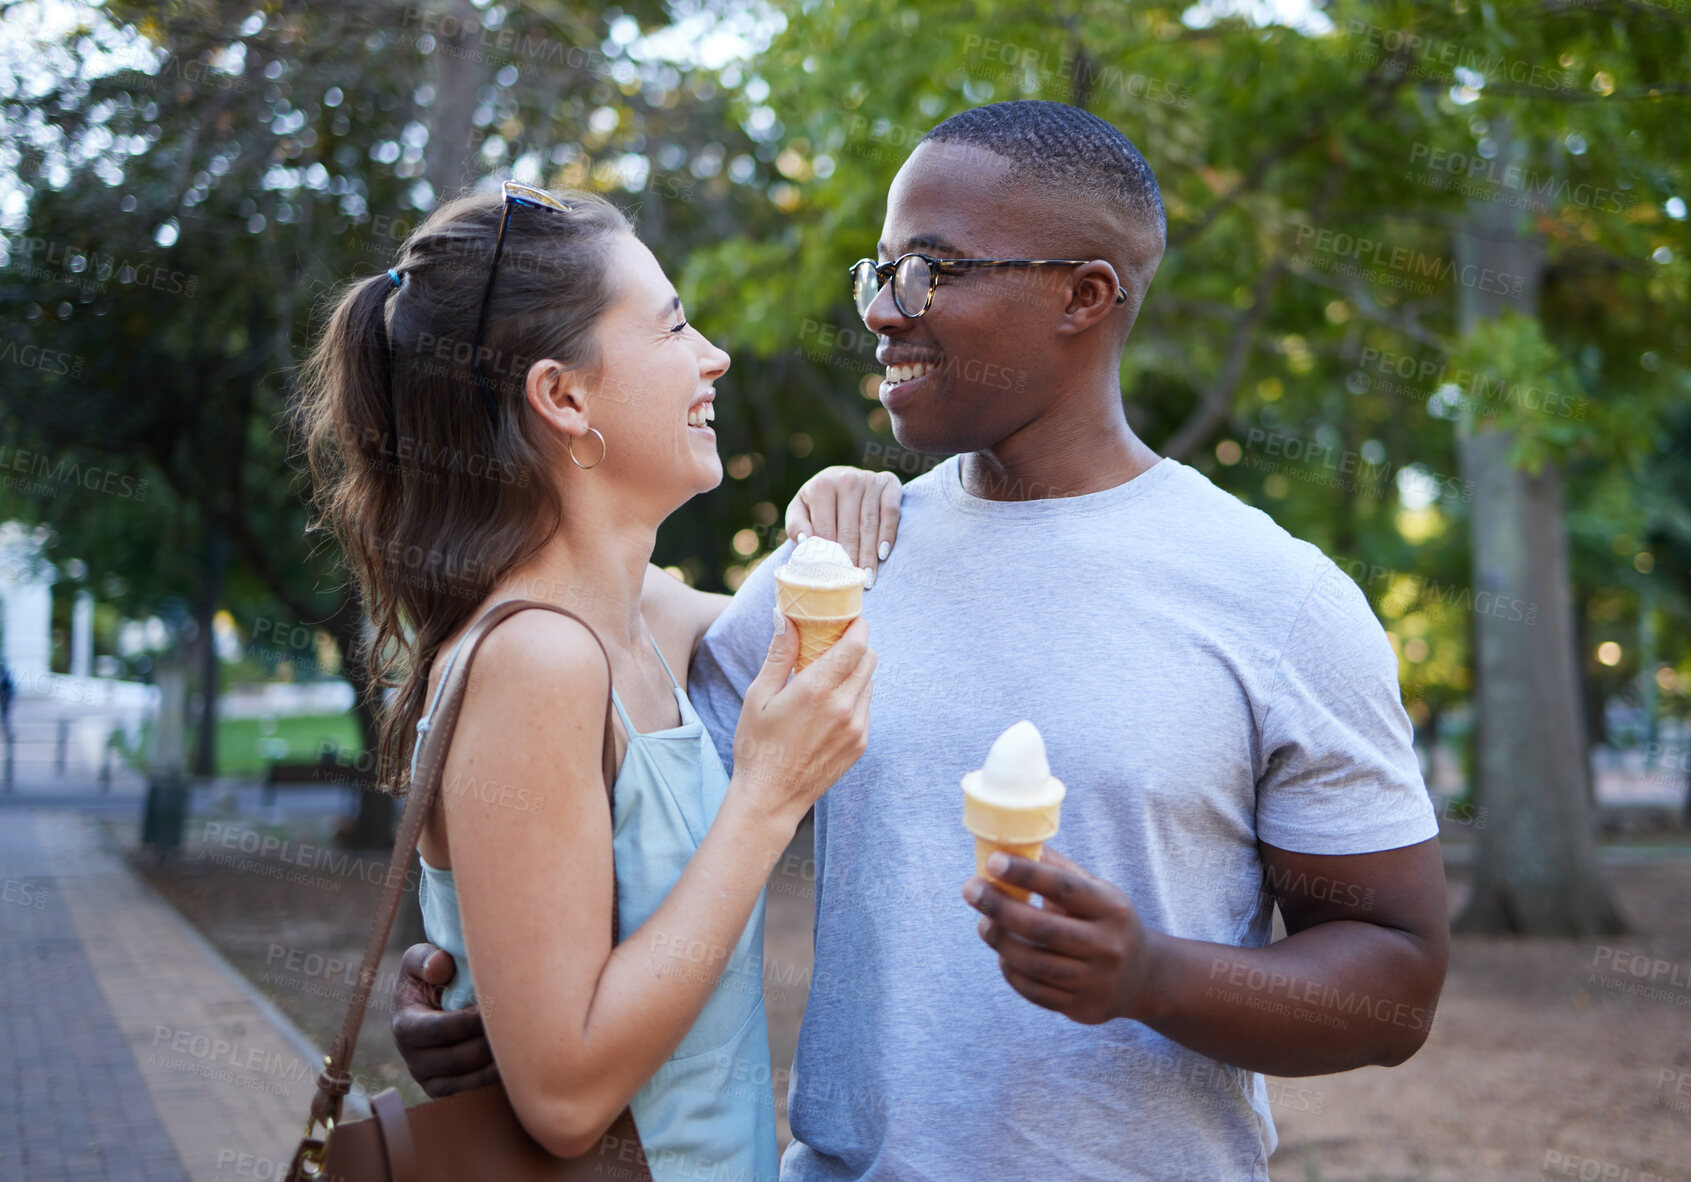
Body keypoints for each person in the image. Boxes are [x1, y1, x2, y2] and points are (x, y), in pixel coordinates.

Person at [391, 101, 1449, 1180]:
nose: (883, 314)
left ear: (1082, 295)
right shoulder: (833, 576)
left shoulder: (1281, 601)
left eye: (929, 272)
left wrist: (1150, 977)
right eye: (880, 272)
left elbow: (1395, 982)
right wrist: (480, 988)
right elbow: (623, 819)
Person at [299, 181, 904, 1182]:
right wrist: (765, 798)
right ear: (564, 397)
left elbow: (837, 646)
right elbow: (567, 1098)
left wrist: (848, 504)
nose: (713, 355)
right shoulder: (535, 662)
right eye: (672, 329)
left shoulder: (648, 616)